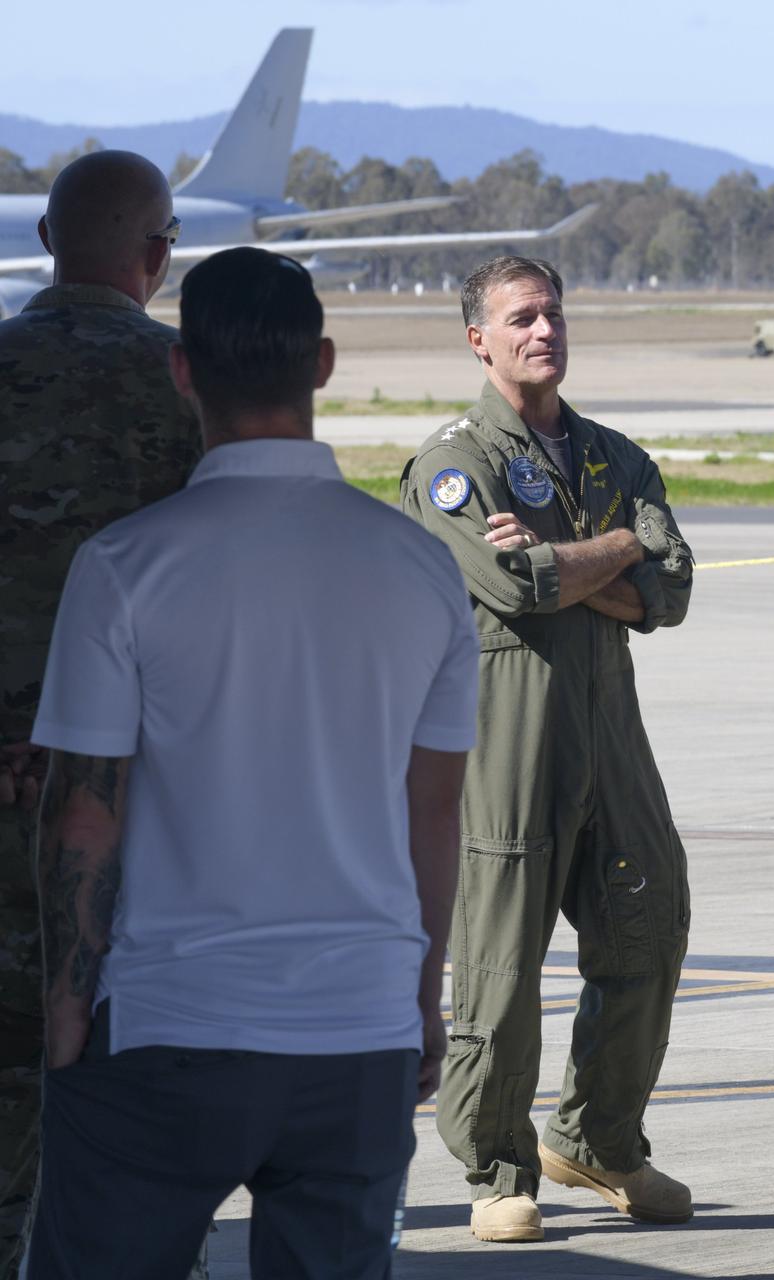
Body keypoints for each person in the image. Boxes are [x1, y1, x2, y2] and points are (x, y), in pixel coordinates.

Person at [25, 247, 474, 1278]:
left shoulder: (126, 565)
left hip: (169, 1029)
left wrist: (63, 1010)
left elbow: (82, 817)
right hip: (357, 1032)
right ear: (321, 363)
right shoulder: (421, 568)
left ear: (183, 369)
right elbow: (435, 812)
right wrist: (419, 998)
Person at [401, 255, 695, 1243]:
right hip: (509, 731)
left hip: (613, 729)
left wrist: (571, 556)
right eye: (521, 317)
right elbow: (516, 584)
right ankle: (495, 1164)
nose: (544, 330)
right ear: (478, 339)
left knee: (651, 927)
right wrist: (621, 548)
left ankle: (601, 1138)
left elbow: (673, 590)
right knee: (500, 962)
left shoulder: (614, 456)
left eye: (554, 312)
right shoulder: (454, 461)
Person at [0, 148, 202, 1278]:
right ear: (158, 255)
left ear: (44, 240)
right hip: (129, 812)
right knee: (132, 1101)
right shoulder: (179, 382)